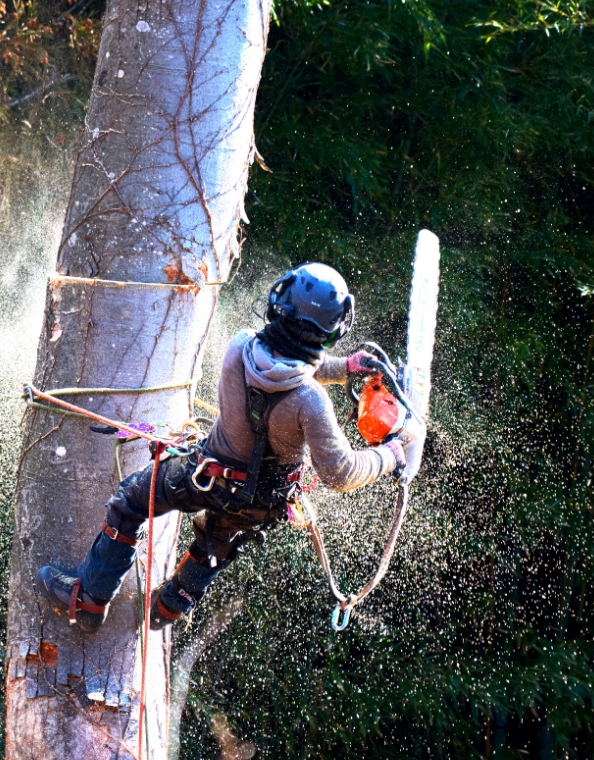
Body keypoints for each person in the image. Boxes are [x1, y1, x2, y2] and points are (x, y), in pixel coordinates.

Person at [37, 263, 426, 632]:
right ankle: (167, 607)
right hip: (261, 500)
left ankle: (88, 600)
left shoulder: (240, 347)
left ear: (280, 305)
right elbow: (340, 473)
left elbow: (285, 360)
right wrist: (391, 454)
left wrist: (344, 368)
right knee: (216, 541)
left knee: (133, 500)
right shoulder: (311, 403)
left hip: (206, 474)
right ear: (331, 331)